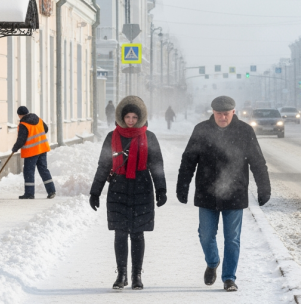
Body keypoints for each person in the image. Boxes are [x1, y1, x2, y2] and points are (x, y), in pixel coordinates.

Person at [177, 96, 271, 292]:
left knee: (232, 238)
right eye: (218, 113)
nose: (222, 117)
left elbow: (257, 162)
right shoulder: (201, 130)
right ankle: (212, 263)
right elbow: (188, 160)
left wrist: (264, 188)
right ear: (213, 112)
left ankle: (229, 278)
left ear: (233, 112)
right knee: (205, 235)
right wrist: (182, 186)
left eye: (226, 113)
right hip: (206, 191)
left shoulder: (245, 131)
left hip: (235, 192)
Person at [89, 96, 167, 291]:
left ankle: (136, 276)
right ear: (121, 117)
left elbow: (157, 165)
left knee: (138, 234)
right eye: (127, 117)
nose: (130, 120)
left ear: (139, 118)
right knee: (120, 233)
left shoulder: (149, 137)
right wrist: (95, 192)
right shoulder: (112, 137)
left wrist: (161, 190)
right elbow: (103, 165)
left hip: (142, 187)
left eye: (134, 117)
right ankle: (121, 274)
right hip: (118, 187)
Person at [12, 106, 55, 200]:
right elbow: (46, 129)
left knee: (29, 172)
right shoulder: (38, 119)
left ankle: (29, 193)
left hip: (31, 151)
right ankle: (51, 191)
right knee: (43, 170)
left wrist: (15, 148)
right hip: (42, 149)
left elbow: (21, 139)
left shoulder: (23, 124)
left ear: (19, 115)